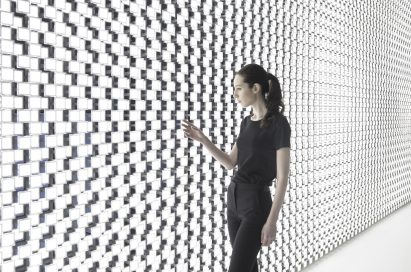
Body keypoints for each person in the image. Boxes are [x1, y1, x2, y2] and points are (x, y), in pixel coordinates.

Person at [181, 63, 291, 272]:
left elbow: (283, 177)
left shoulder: (279, 124)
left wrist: (272, 221)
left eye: (239, 88)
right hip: (233, 201)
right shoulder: (246, 123)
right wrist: (203, 139)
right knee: (248, 267)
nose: (235, 94)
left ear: (256, 88)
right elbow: (230, 162)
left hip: (256, 205)